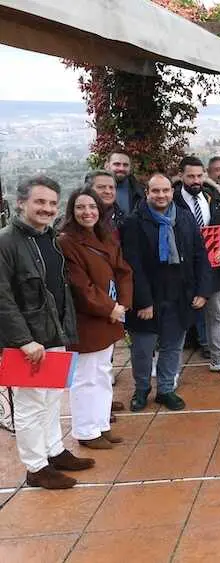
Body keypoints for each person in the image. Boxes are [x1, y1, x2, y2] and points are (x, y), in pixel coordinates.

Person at [0, 176, 93, 489]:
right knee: (29, 406)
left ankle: (54, 451)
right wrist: (23, 340)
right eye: (40, 202)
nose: (47, 208)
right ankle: (36, 468)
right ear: (21, 203)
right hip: (28, 341)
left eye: (52, 203)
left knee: (53, 398)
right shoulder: (6, 242)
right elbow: (2, 298)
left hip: (54, 333)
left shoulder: (51, 238)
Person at [122, 173, 211, 412]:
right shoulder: (134, 222)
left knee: (173, 347)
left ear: (172, 192)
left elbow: (199, 255)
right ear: (147, 193)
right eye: (156, 191)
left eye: (165, 191)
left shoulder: (184, 217)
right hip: (148, 300)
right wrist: (143, 302)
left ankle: (165, 390)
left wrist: (202, 290)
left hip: (179, 296)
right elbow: (133, 266)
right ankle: (141, 390)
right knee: (142, 349)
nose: (161, 195)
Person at [59, 188, 133, 450]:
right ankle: (86, 431)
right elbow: (81, 286)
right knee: (85, 377)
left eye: (92, 207)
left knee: (102, 373)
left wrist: (122, 303)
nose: (87, 212)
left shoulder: (105, 236)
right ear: (72, 211)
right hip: (89, 320)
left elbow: (123, 270)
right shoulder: (67, 242)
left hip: (111, 316)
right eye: (80, 207)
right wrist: (109, 308)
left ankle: (101, 425)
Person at [173, 156, 220, 374]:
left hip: (214, 268)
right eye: (190, 176)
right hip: (184, 272)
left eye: (199, 175)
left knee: (216, 316)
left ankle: (218, 359)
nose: (195, 180)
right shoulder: (172, 201)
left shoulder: (213, 198)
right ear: (181, 176)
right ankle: (171, 369)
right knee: (179, 321)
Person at [84, 170, 125, 234]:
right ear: (88, 190)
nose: (108, 191)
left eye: (111, 187)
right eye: (101, 187)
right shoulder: (77, 219)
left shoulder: (125, 221)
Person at [105, 150, 144, 216]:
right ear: (107, 166)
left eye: (125, 165)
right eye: (117, 164)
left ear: (130, 167)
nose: (121, 168)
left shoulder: (140, 192)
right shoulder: (94, 191)